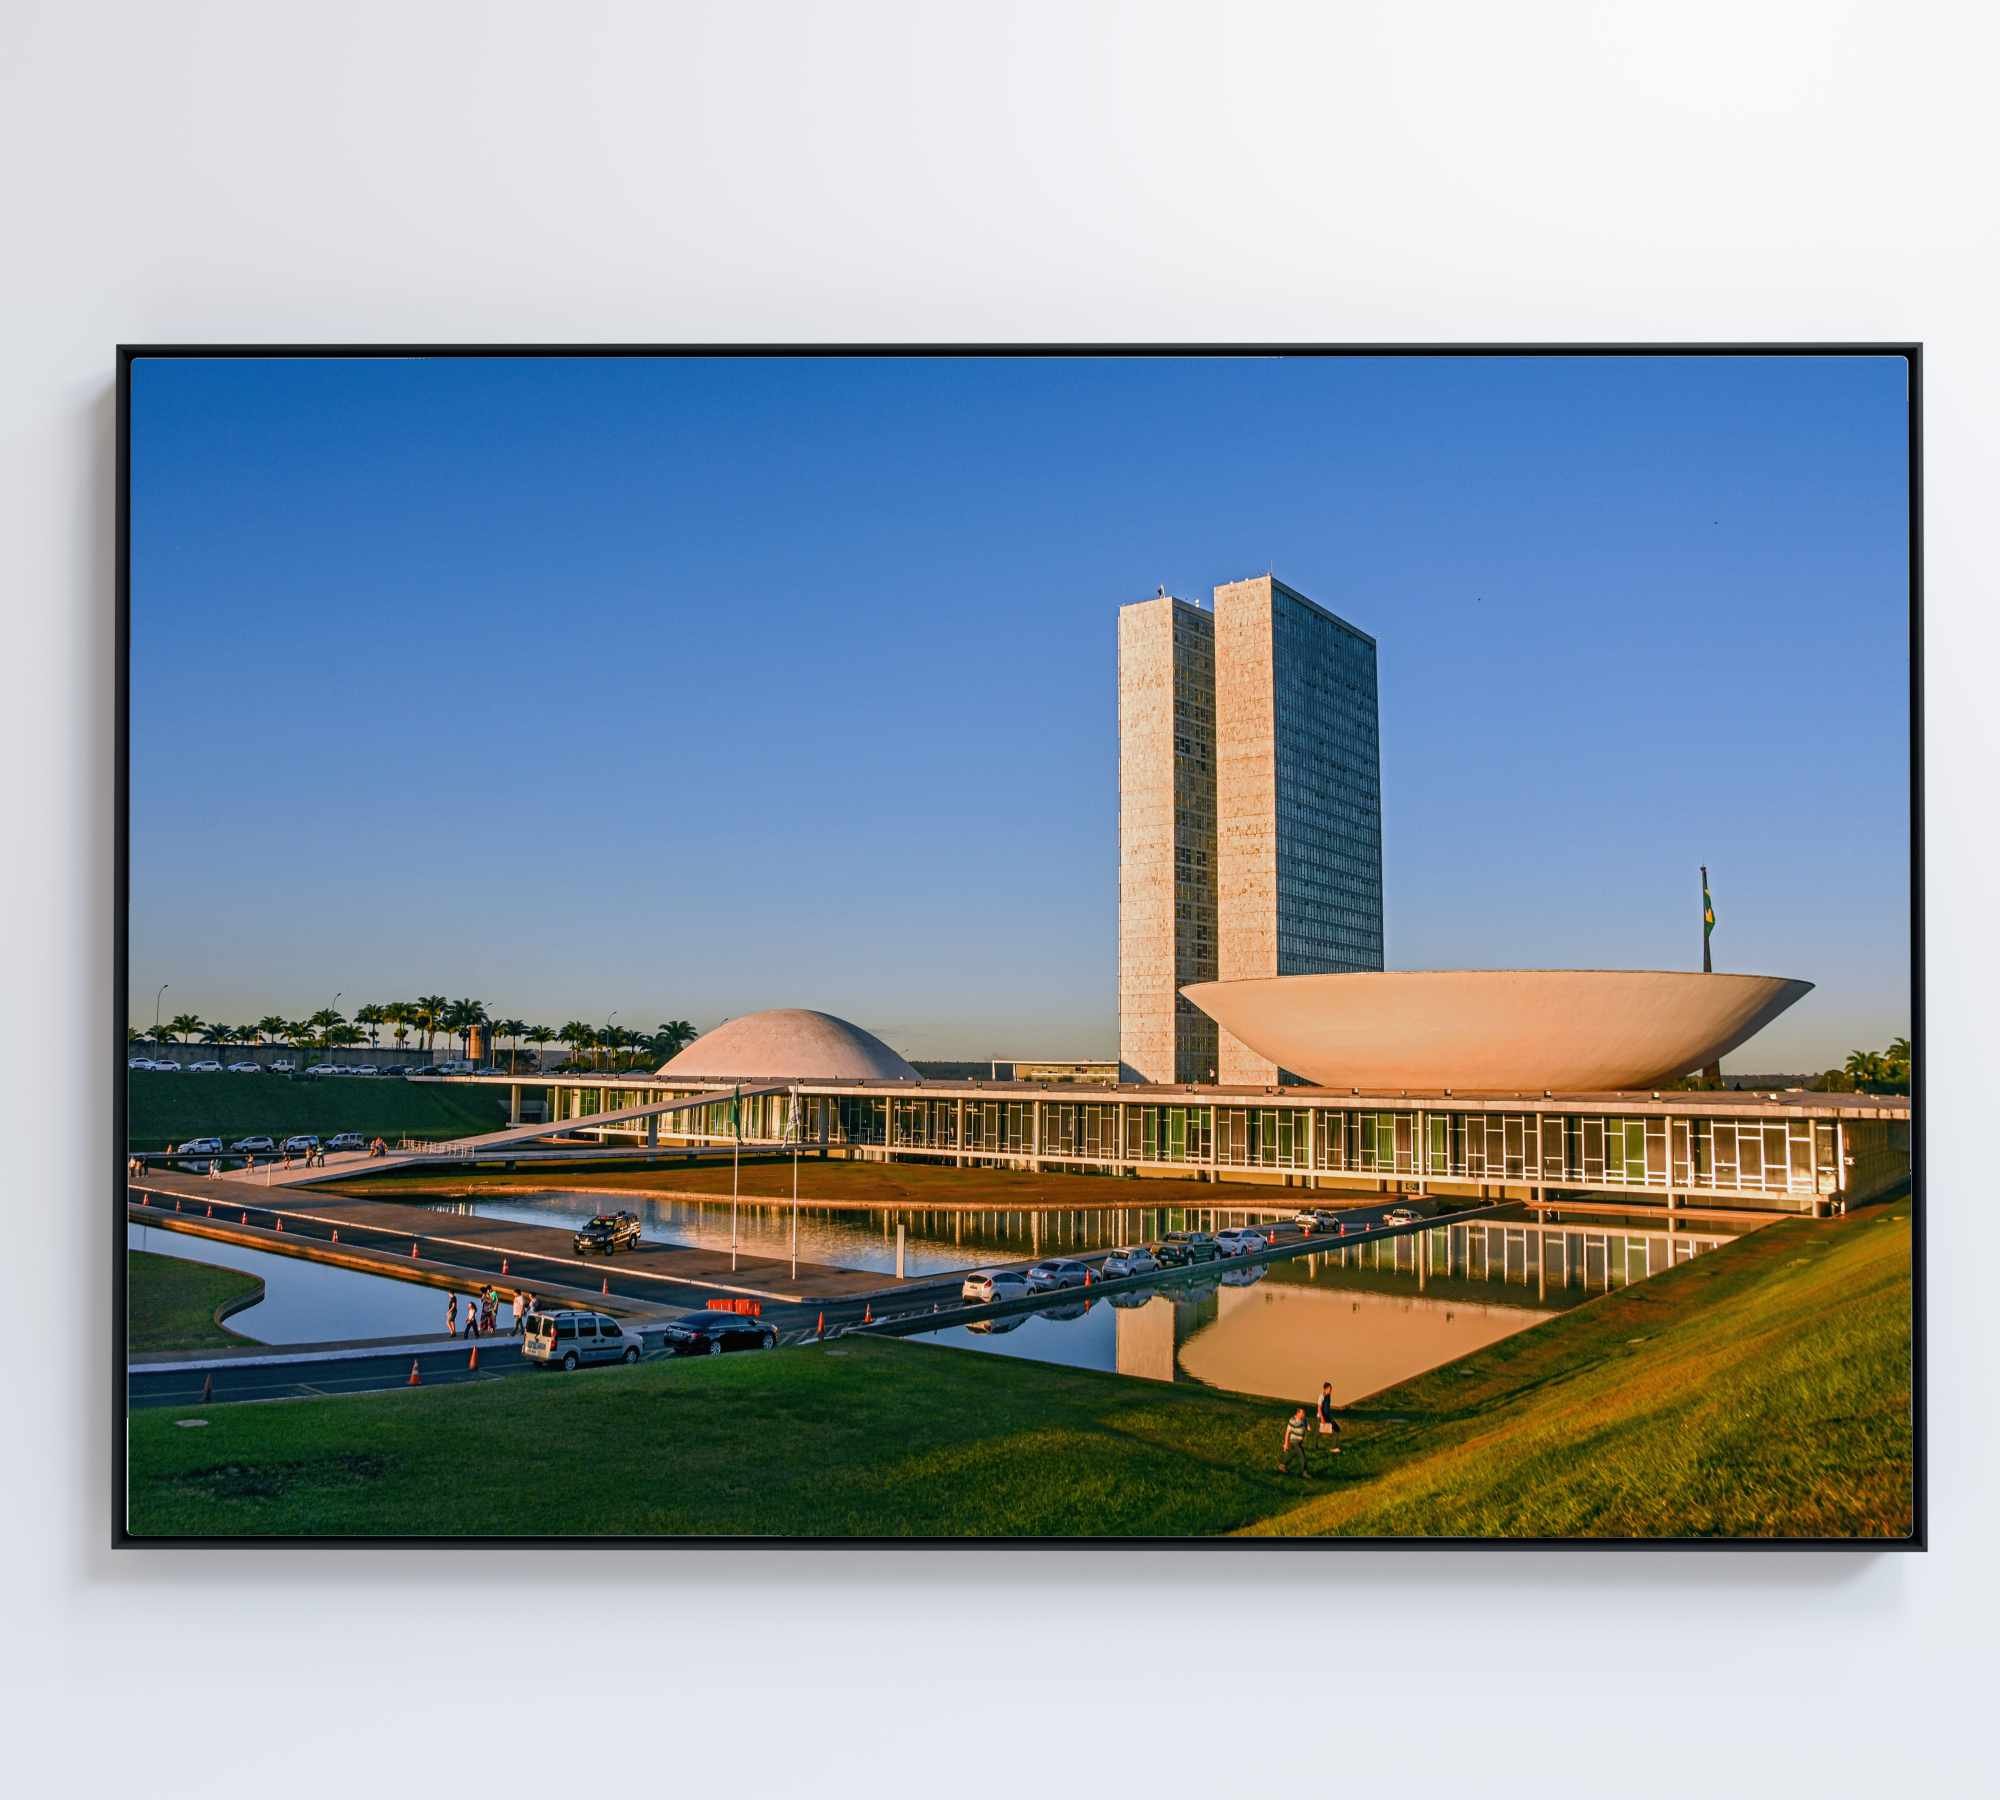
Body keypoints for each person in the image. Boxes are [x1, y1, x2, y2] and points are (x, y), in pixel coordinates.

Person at [1278, 1407, 1312, 1478]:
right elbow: (1287, 1432)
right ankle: (1304, 1472)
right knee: (1302, 1456)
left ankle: (1282, 1465)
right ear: (1298, 1413)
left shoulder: (1304, 1419)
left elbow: (1308, 1427)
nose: (1303, 1415)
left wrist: (1308, 1427)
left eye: (1304, 1413)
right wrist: (1286, 1444)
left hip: (1299, 1441)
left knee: (1293, 1453)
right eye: (1302, 1413)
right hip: (1294, 1441)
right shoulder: (1292, 1420)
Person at [1316, 1381, 1343, 1453]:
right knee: (1319, 1432)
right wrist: (1322, 1418)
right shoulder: (1321, 1396)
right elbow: (1319, 1408)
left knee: (1337, 1430)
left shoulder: (1328, 1396)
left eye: (1331, 1389)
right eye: (1329, 1389)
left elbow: (1327, 1408)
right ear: (1325, 1389)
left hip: (1328, 1417)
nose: (1331, 1390)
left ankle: (1333, 1447)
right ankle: (1315, 1446)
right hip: (1322, 1417)